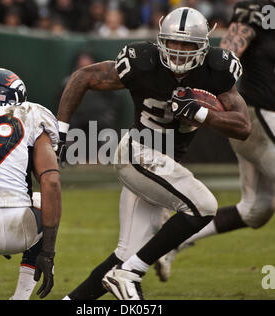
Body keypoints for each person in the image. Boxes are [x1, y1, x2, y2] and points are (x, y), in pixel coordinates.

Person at [57, 7, 251, 300]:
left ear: (204, 46)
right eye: (173, 42)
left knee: (125, 255)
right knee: (204, 206)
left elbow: (243, 126)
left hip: (161, 167)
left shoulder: (217, 70)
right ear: (161, 40)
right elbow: (83, 77)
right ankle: (129, 274)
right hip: (138, 154)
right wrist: (60, 131)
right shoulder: (142, 62)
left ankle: (92, 290)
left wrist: (201, 114)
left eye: (187, 44)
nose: (179, 51)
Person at [153, 0, 275, 282]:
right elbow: (229, 55)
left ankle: (171, 241)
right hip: (259, 116)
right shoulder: (259, 9)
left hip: (261, 121)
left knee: (257, 209)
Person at [0, 68, 61, 299]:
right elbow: (51, 182)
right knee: (41, 199)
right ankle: (21, 296)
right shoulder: (32, 114)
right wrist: (48, 252)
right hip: (17, 229)